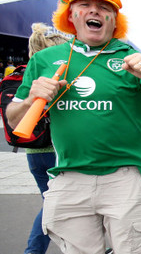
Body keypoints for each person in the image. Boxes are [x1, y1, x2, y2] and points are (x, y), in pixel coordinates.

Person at [6, 0, 141, 254]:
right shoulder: (45, 60)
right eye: (84, 5)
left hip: (124, 176)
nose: (94, 10)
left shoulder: (132, 60)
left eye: (104, 8)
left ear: (115, 21)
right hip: (69, 177)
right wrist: (29, 99)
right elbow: (13, 121)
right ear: (71, 16)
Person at [20, 23, 68, 254]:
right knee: (53, 204)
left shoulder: (29, 73)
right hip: (54, 150)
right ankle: (34, 250)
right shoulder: (53, 74)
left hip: (33, 151)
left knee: (53, 202)